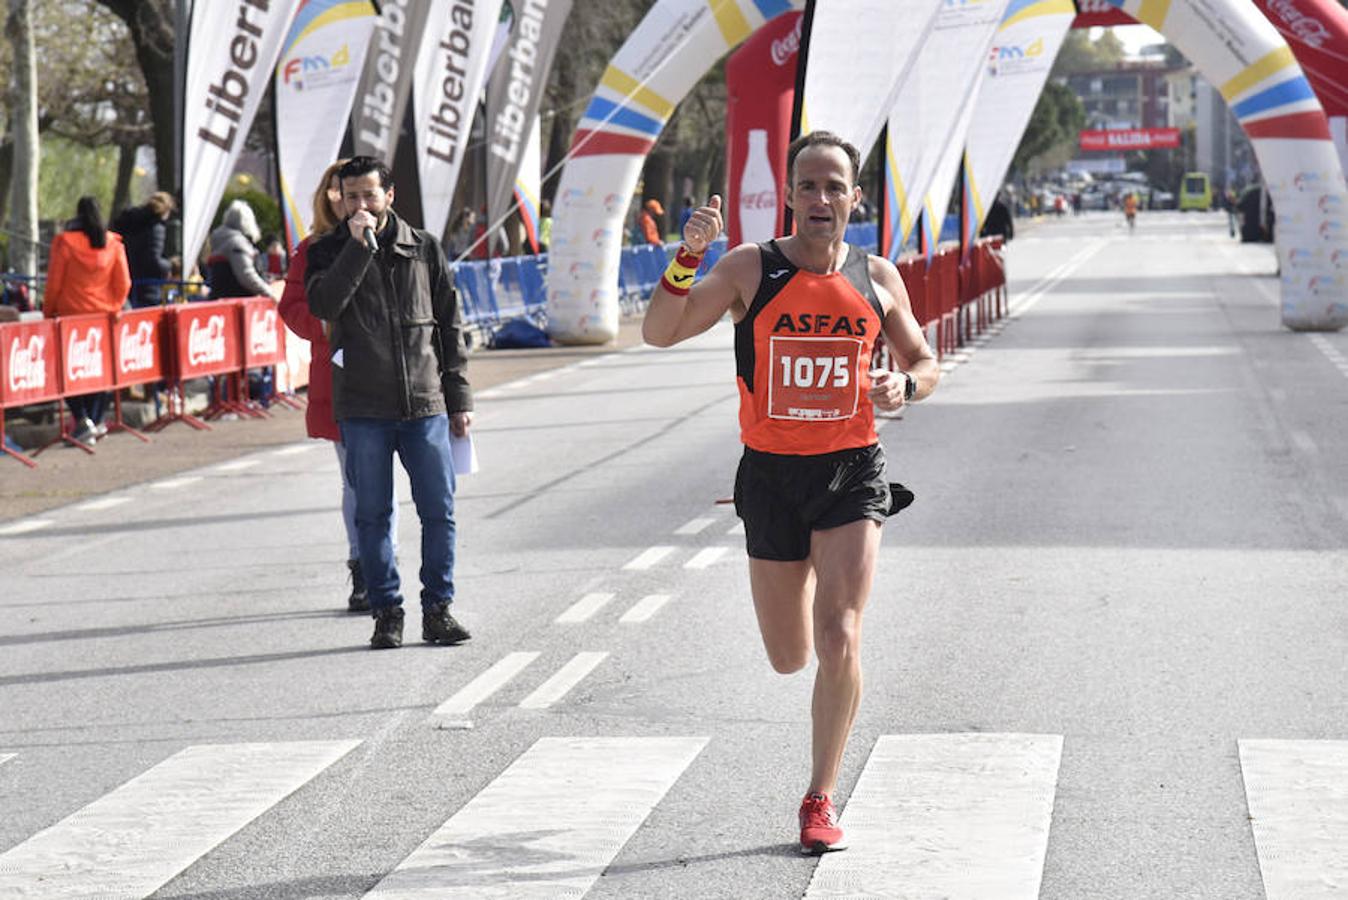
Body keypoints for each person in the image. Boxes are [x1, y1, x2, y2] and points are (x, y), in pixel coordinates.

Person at [642, 131, 940, 854]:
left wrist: (905, 384)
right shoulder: (753, 268)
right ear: (790, 196)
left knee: (841, 635)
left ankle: (819, 797)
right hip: (771, 476)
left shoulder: (877, 277)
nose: (820, 199)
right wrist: (687, 259)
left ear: (854, 199)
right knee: (788, 655)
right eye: (808, 185)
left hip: (852, 470)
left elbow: (926, 361)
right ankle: (804, 584)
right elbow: (660, 332)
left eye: (834, 186)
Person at [306, 156, 473, 650]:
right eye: (350, 196)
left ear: (389, 196)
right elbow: (324, 306)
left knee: (438, 512)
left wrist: (459, 397)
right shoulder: (326, 251)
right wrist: (356, 250)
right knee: (373, 515)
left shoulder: (423, 248)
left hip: (424, 404)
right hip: (363, 408)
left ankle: (438, 608)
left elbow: (450, 326)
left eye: (369, 195)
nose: (360, 204)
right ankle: (387, 612)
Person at [278, 159, 399, 613]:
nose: (353, 203)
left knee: (388, 483)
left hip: (396, 381)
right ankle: (364, 567)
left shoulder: (397, 241)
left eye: (363, 194)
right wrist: (328, 325)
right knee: (358, 482)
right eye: (341, 193)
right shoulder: (313, 250)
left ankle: (386, 564)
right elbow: (293, 307)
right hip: (342, 382)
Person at [43, 196, 132, 444]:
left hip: (70, 316)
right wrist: (114, 306)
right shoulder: (113, 244)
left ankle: (82, 420)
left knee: (68, 371)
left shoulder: (64, 243)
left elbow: (54, 283)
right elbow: (124, 282)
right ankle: (94, 420)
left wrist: (48, 311)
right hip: (103, 316)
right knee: (100, 371)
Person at [112, 191, 175, 308]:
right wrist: (169, 265)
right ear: (166, 210)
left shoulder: (131, 222)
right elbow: (153, 260)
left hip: (129, 281)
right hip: (148, 287)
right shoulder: (157, 227)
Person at [207, 199, 279, 299]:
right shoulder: (237, 243)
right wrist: (269, 292)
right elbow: (246, 275)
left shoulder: (221, 240)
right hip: (237, 301)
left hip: (221, 300)